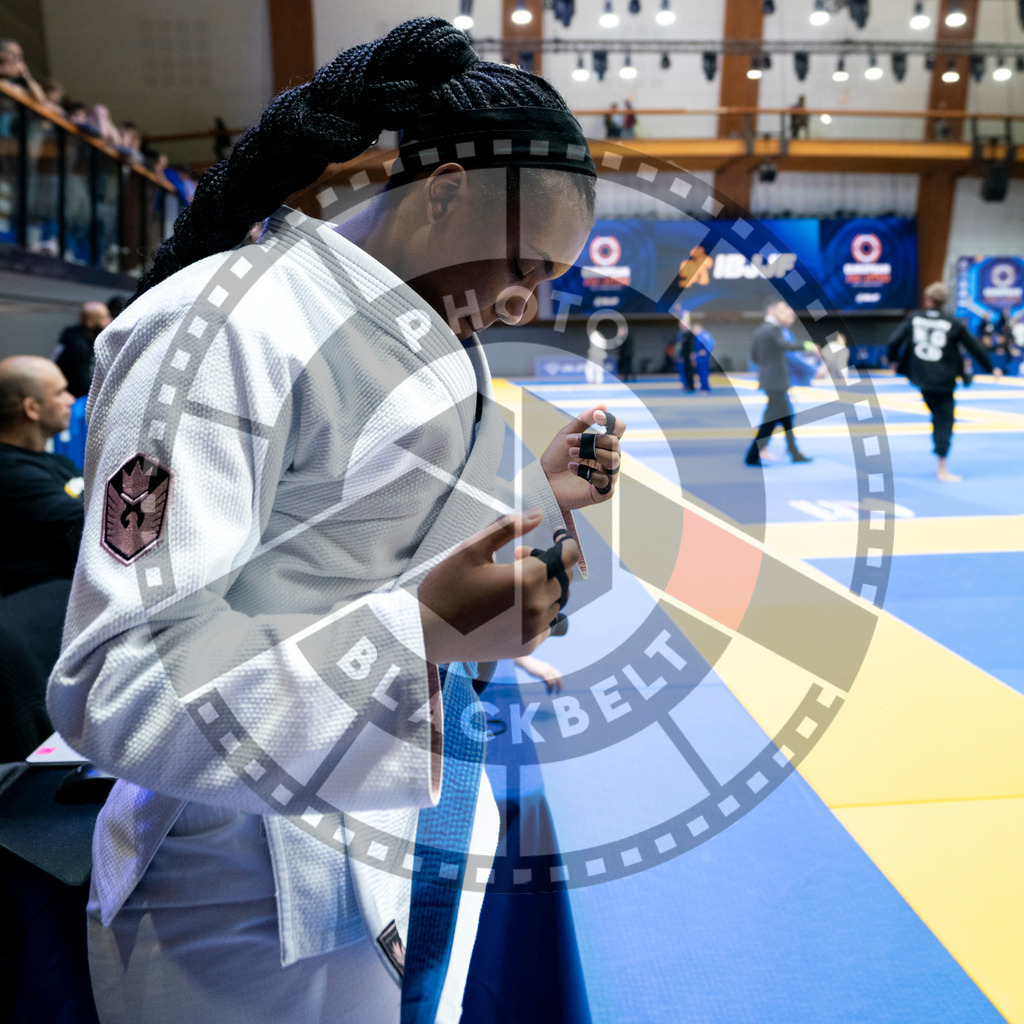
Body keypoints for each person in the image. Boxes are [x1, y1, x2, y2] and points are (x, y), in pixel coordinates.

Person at [46, 19, 623, 1024]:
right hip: (234, 888)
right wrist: (421, 636)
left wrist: (530, 508)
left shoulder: (411, 327)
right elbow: (119, 685)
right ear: (442, 196)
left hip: (381, 824)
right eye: (527, 261)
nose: (526, 298)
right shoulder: (219, 330)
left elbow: (344, 545)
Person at [888, 282, 997, 482]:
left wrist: (893, 361)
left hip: (921, 377)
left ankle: (940, 460)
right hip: (944, 379)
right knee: (944, 419)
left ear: (928, 300)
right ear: (943, 302)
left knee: (938, 414)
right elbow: (974, 347)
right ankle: (942, 468)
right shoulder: (952, 323)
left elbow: (893, 341)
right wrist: (992, 368)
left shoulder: (914, 318)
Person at [0, 356, 83, 596]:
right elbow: (96, 527)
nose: (71, 400)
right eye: (60, 393)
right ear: (32, 408)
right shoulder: (10, 474)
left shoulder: (58, 462)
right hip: (46, 607)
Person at [744, 301, 813, 466]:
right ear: (773, 311)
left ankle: (793, 451)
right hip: (776, 381)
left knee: (786, 417)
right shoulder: (773, 329)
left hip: (769, 379)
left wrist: (768, 364)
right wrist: (805, 345)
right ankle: (753, 455)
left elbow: (754, 356)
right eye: (782, 310)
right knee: (771, 419)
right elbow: (784, 346)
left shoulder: (760, 329)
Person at [50, 301, 111, 399]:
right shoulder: (78, 346)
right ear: (89, 323)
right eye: (105, 318)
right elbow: (82, 384)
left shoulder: (75, 337)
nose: (109, 321)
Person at [690, 317, 715, 392]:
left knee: (703, 372)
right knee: (700, 372)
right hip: (698, 357)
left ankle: (705, 387)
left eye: (695, 329)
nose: (694, 331)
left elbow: (711, 344)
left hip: (703, 357)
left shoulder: (704, 335)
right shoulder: (697, 336)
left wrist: (705, 351)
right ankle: (703, 386)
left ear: (699, 328)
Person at [675, 312, 696, 392]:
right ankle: (687, 385)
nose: (681, 326)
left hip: (688, 356)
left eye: (683, 324)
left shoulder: (690, 334)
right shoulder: (682, 334)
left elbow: (691, 346)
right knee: (686, 371)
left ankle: (691, 386)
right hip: (684, 356)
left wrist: (692, 355)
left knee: (690, 371)